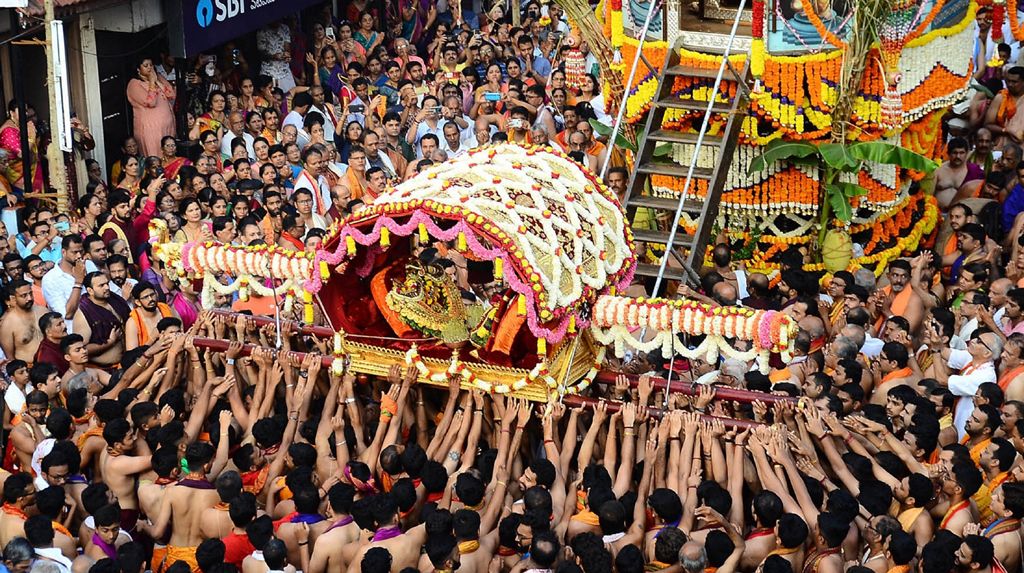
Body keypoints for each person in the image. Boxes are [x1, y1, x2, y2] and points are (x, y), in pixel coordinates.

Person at [126, 58, 176, 157]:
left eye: (151, 65)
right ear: (138, 69)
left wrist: (157, 81)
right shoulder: (134, 84)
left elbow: (172, 95)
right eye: (146, 66)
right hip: (150, 130)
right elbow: (150, 102)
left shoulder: (159, 77)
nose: (149, 68)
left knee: (169, 156)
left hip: (167, 126)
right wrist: (152, 83)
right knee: (154, 157)